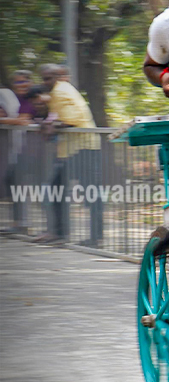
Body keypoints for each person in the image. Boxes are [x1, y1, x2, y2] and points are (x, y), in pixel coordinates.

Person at [36, 64, 103, 246]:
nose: (46, 82)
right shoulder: (57, 92)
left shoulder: (60, 91)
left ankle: (95, 237)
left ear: (57, 77)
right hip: (71, 150)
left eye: (49, 78)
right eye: (44, 78)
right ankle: (58, 233)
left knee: (91, 193)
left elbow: (74, 119)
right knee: (55, 188)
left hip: (84, 148)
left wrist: (53, 126)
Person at [1, 70, 36, 234]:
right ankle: (18, 224)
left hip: (32, 151)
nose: (21, 85)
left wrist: (15, 120)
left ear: (30, 82)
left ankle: (25, 223)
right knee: (14, 187)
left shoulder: (34, 98)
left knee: (24, 188)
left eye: (24, 81)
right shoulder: (11, 99)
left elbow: (26, 120)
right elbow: (20, 119)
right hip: (14, 150)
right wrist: (14, 120)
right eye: (17, 82)